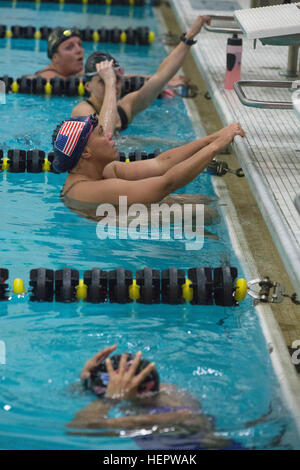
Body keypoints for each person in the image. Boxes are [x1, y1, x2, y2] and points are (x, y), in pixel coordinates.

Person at [66, 345, 246, 450]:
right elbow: (74, 400)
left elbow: (79, 428)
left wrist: (112, 399)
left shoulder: (174, 410)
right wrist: (86, 381)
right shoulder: (159, 391)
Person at [51, 112, 245, 209]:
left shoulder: (104, 171)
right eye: (101, 134)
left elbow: (161, 163)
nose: (110, 135)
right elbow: (165, 184)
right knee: (204, 213)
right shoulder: (88, 188)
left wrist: (212, 138)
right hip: (118, 234)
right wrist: (214, 148)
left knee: (204, 202)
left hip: (129, 217)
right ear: (86, 153)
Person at [71, 16, 211, 133]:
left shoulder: (126, 107)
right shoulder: (82, 112)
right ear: (88, 86)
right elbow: (105, 134)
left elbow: (160, 78)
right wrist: (110, 83)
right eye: (103, 81)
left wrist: (189, 37)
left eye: (117, 80)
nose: (114, 86)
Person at [33, 27, 191, 92]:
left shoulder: (77, 74)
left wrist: (163, 80)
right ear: (54, 57)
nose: (79, 50)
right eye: (69, 47)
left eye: (79, 44)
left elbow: (119, 78)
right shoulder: (46, 79)